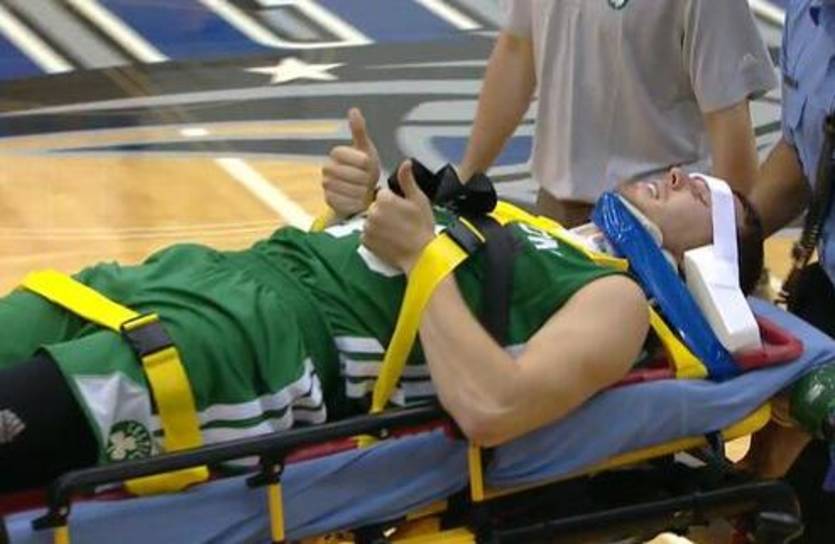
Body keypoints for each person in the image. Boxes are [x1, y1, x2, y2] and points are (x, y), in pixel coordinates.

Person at [0, 130, 764, 494]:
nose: (679, 174)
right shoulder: (533, 229)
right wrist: (356, 206)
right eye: (685, 170)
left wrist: (420, 251)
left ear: (709, 268)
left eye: (704, 195)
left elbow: (494, 406)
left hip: (242, 349)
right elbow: (396, 279)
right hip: (192, 280)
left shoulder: (615, 300)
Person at [455, 0, 777, 226]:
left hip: (655, 228)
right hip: (553, 215)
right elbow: (518, 48)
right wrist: (464, 178)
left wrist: (732, 259)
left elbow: (729, 125)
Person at [744, 1, 835, 541]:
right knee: (781, 503)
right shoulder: (808, 15)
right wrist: (731, 233)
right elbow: (804, 153)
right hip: (826, 297)